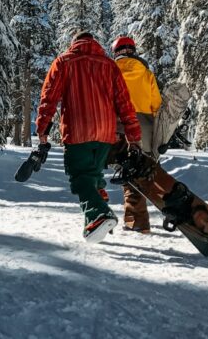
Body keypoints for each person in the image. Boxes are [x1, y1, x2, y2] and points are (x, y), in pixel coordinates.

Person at [36, 32, 142, 243]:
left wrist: (42, 130)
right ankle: (94, 223)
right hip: (105, 133)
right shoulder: (109, 65)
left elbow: (49, 98)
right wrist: (133, 136)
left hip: (78, 131)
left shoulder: (64, 61)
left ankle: (99, 215)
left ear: (74, 44)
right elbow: (124, 103)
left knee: (80, 178)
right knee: (92, 175)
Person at [111, 36, 161, 234]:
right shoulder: (146, 73)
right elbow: (156, 104)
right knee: (142, 170)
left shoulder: (111, 71)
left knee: (128, 171)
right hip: (145, 125)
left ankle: (137, 222)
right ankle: (140, 217)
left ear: (115, 51)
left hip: (120, 124)